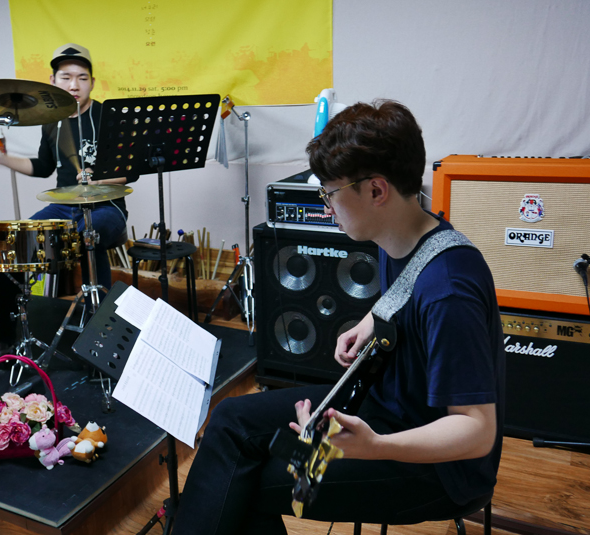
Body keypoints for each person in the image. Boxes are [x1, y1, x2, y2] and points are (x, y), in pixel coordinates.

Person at [172, 100, 506, 534]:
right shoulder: (407, 236)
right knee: (231, 421)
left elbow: (477, 431)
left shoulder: (449, 291)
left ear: (376, 190)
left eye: (329, 193)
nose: (326, 206)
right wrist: (372, 318)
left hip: (439, 467)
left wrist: (374, 446)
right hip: (387, 406)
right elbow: (407, 290)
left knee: (246, 482)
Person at [0, 43, 137, 289]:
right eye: (66, 78)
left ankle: (98, 306)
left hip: (107, 207)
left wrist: (98, 178)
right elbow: (43, 167)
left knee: (88, 234)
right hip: (64, 207)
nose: (74, 85)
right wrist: (2, 158)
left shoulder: (109, 117)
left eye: (82, 78)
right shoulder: (51, 122)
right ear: (52, 81)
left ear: (92, 83)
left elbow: (130, 172)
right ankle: (17, 307)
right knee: (18, 240)